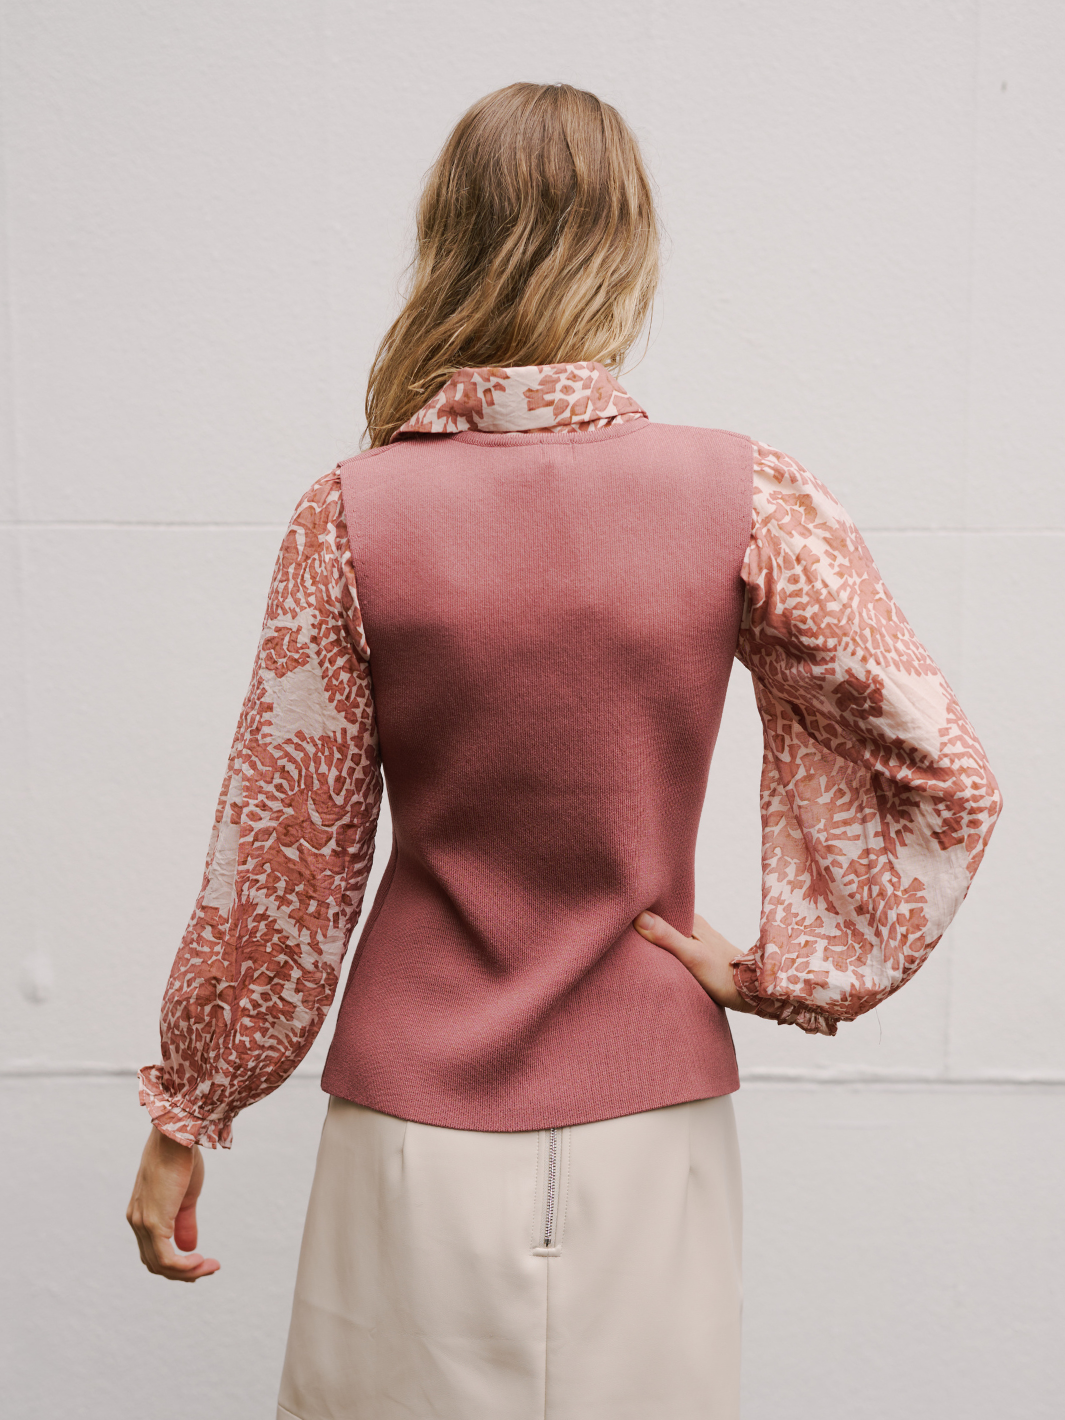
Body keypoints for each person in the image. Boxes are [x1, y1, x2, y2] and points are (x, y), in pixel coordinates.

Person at [126, 82, 1002, 1420]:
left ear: (446, 240)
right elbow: (944, 771)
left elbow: (283, 864)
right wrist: (786, 973)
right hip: (650, 1108)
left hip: (412, 1125)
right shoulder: (744, 495)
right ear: (626, 250)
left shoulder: (351, 515)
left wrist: (189, 1110)